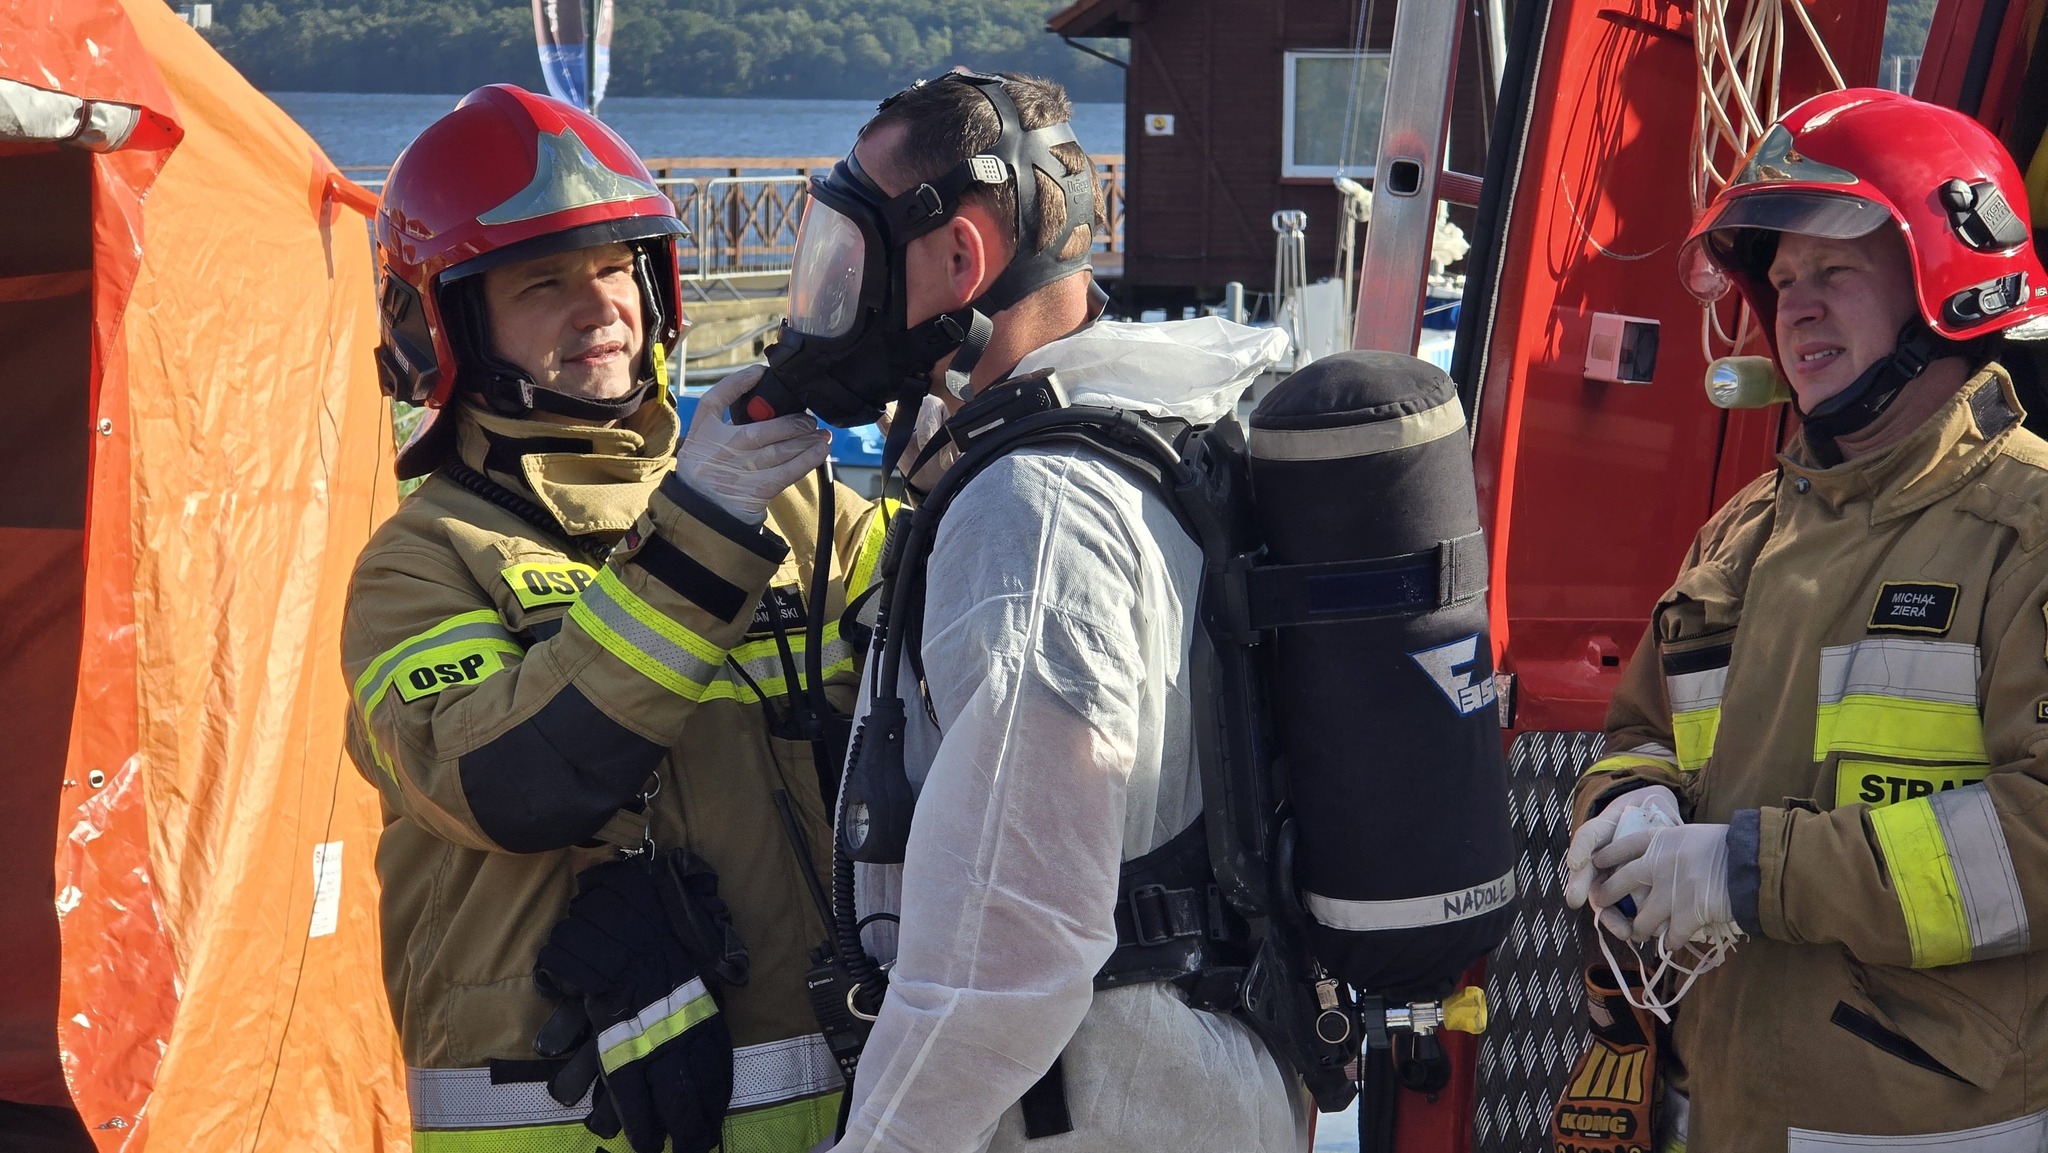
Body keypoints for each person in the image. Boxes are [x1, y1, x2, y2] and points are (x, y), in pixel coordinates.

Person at [342, 84, 893, 1153]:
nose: (599, 310)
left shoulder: (798, 505)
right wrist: (699, 529)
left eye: (614, 269)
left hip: (843, 1113)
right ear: (446, 324)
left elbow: (949, 666)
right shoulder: (421, 561)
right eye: (541, 284)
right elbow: (509, 783)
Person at [799, 71, 1307, 1152]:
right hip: (1190, 1088)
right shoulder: (1155, 435)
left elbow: (1005, 953)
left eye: (853, 256)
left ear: (960, 261)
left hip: (1093, 1111)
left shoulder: (1029, 513)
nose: (835, 300)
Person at [1563, 88, 2048, 1149]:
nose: (1793, 309)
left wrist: (1746, 870)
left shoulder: (2027, 530)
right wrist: (1630, 814)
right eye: (1779, 283)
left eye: (1834, 273)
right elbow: (1640, 731)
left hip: (1928, 1124)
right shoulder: (1737, 537)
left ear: (1942, 293)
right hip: (1723, 1111)